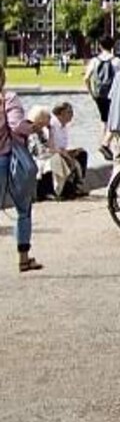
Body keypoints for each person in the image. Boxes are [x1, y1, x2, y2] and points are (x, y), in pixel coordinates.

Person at [1, 62, 41, 272]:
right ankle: (23, 258)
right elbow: (16, 125)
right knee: (23, 209)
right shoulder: (8, 98)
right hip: (7, 158)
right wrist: (33, 127)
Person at [86, 39, 119, 153]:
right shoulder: (116, 61)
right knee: (114, 120)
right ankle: (107, 144)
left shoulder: (95, 61)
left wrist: (91, 93)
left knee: (104, 120)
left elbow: (86, 78)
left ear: (100, 46)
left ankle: (103, 143)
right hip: (112, 94)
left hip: (99, 94)